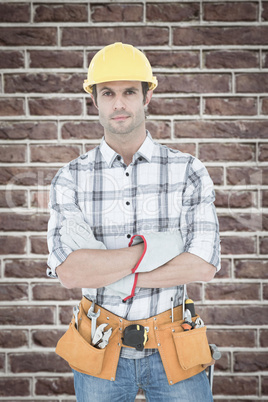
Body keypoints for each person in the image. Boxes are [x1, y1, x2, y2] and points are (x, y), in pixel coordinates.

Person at [47, 42, 221, 401]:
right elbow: (70, 273)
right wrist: (154, 250)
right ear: (94, 99)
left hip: (174, 342)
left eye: (130, 92)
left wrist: (107, 270)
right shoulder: (70, 178)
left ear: (148, 96)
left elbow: (203, 265)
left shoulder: (187, 171)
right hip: (99, 344)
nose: (119, 103)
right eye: (108, 93)